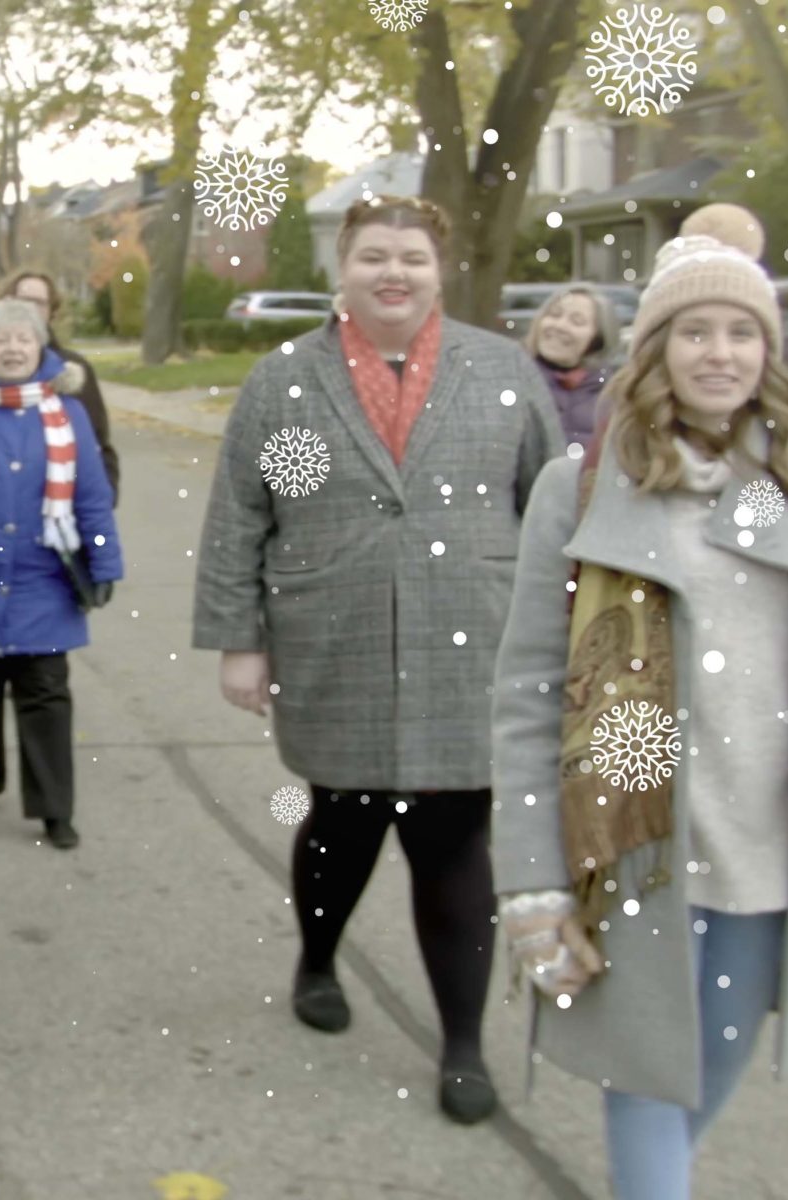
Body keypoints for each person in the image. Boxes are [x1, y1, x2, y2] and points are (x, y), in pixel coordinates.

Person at [489, 204, 788, 1199]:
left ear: (764, 349)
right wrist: (532, 880)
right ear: (653, 349)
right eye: (691, 331)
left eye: (738, 331)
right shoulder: (583, 485)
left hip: (771, 840)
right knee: (643, 1084)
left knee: (704, 1075)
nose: (716, 353)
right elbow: (526, 693)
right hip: (633, 845)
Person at [191, 195, 564, 1125]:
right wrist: (241, 640)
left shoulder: (502, 369)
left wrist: (563, 637)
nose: (392, 273)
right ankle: (318, 957)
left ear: (439, 273)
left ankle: (464, 1044)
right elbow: (241, 514)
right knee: (341, 826)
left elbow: (554, 507)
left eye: (411, 259)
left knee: (453, 841)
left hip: (469, 642)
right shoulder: (282, 379)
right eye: (371, 258)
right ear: (341, 271)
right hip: (334, 640)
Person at [0, 300, 123, 850]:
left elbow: (91, 494)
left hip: (45, 579)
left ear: (40, 347)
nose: (12, 349)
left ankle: (54, 810)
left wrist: (105, 559)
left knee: (45, 694)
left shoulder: (68, 413)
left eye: (23, 339)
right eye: (1, 340)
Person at [0, 269, 121, 501]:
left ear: (51, 313)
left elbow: (100, 447)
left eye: (39, 303)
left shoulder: (73, 371)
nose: (30, 309)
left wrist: (100, 504)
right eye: (23, 300)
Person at [525, 283, 622, 454]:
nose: (560, 326)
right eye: (554, 315)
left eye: (577, 321)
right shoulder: (513, 381)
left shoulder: (613, 396)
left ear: (597, 338)